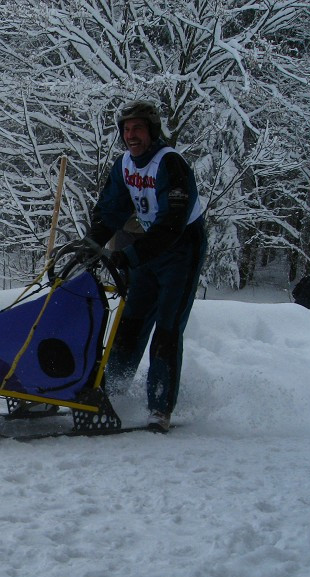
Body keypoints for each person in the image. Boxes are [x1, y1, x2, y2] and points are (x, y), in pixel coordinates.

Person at [83, 100, 207, 433]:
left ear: (152, 130)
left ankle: (160, 407)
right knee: (131, 323)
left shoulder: (170, 164)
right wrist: (89, 247)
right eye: (126, 130)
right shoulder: (124, 165)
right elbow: (111, 211)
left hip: (181, 249)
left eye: (137, 128)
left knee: (166, 328)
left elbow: (172, 224)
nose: (131, 135)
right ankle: (111, 391)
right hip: (151, 248)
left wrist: (131, 256)